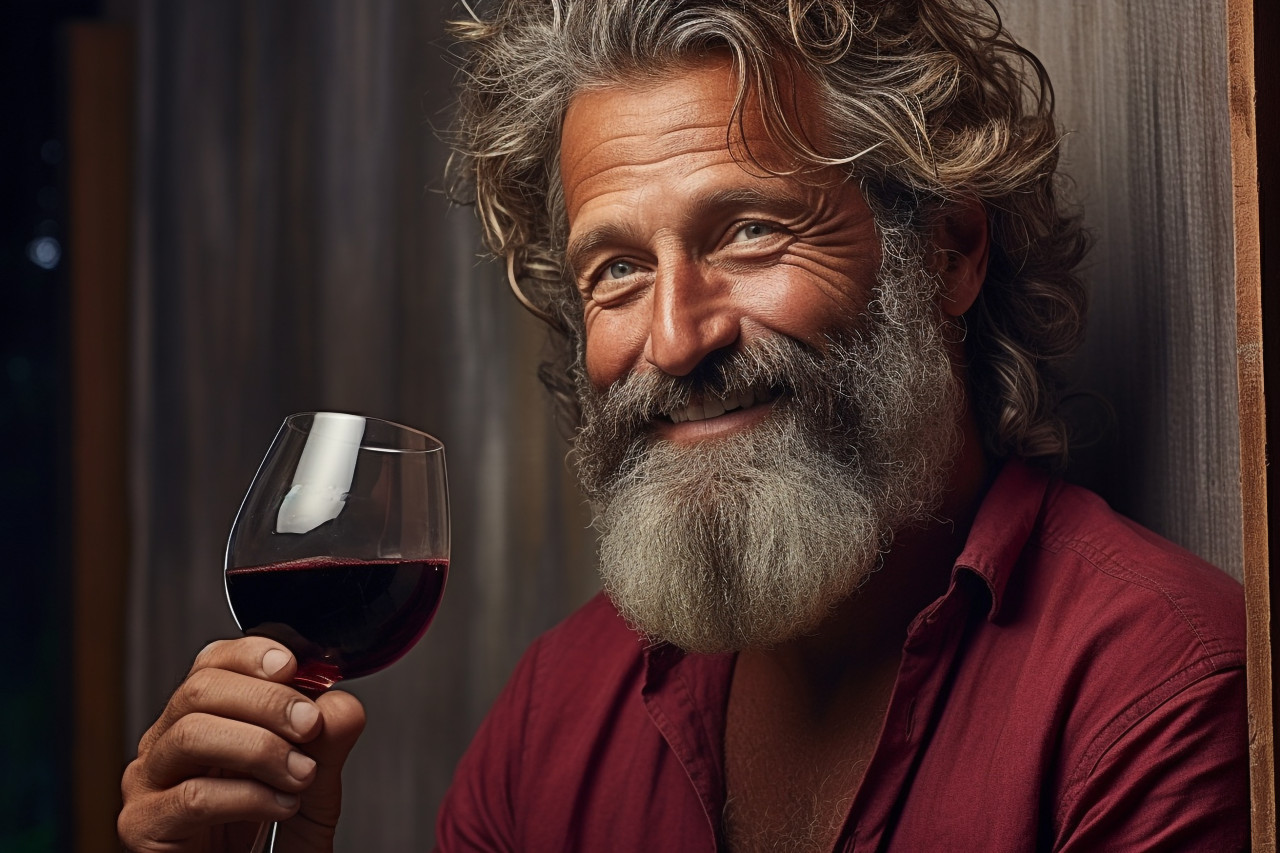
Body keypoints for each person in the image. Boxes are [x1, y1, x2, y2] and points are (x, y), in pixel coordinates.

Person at [118, 0, 1249, 850]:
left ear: (946, 251)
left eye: (750, 231)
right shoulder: (560, 706)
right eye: (615, 268)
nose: (674, 334)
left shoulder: (1157, 694)